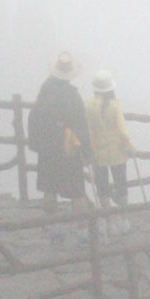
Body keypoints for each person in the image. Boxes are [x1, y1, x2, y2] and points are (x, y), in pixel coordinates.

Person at [29, 55, 91, 210]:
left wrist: (36, 143)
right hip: (67, 149)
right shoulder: (72, 95)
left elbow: (34, 117)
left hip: (47, 147)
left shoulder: (45, 91)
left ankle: (50, 223)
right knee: (77, 190)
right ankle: (82, 226)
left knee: (49, 187)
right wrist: (87, 150)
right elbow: (80, 124)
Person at [84, 72, 132, 209]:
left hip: (97, 151)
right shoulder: (115, 105)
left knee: (102, 186)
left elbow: (87, 130)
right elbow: (122, 129)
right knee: (121, 184)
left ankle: (107, 219)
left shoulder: (87, 105)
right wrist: (129, 146)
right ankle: (123, 219)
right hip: (117, 151)